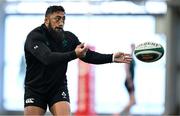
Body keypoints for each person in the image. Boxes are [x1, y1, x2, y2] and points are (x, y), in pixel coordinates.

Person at [24, 5, 132, 116]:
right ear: (46, 20)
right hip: (35, 89)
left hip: (57, 87)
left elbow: (88, 55)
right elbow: (47, 58)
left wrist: (112, 57)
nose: (61, 22)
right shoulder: (35, 37)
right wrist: (74, 54)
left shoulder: (68, 37)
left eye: (63, 19)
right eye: (57, 18)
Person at [121, 43, 136, 114]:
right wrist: (130, 81)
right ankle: (119, 113)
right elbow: (126, 69)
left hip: (131, 80)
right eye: (133, 47)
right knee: (133, 101)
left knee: (131, 101)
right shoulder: (128, 57)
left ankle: (127, 114)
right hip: (129, 81)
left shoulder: (132, 57)